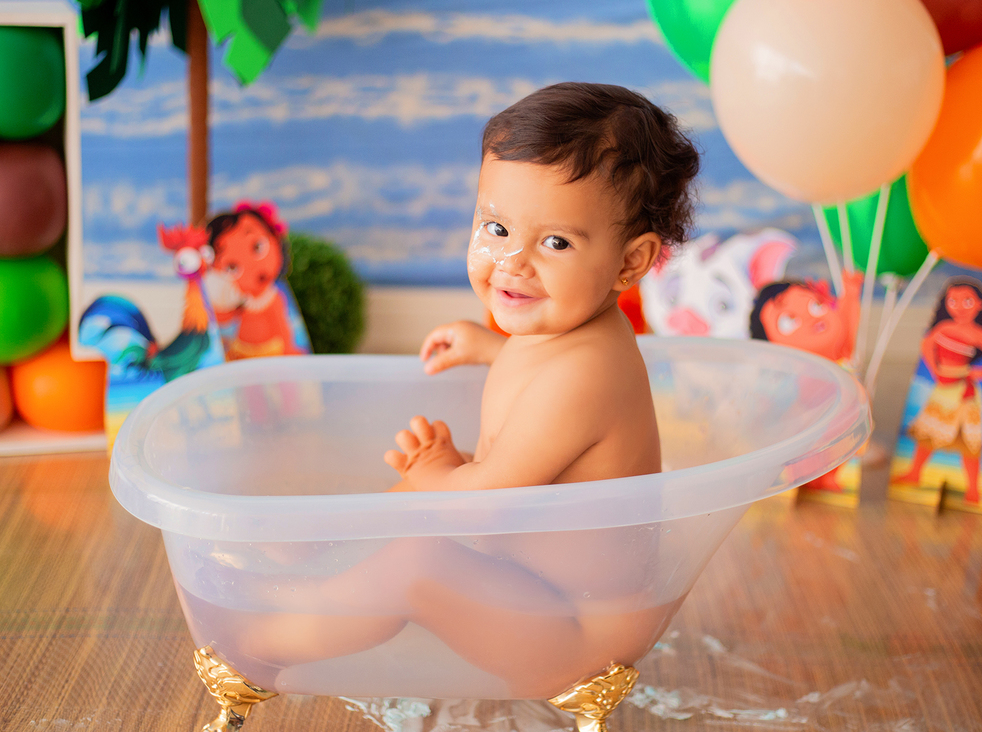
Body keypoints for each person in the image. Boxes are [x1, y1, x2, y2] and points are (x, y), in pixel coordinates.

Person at [240, 83, 701, 697]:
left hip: (571, 629)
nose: (512, 262)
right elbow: (543, 377)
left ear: (631, 263)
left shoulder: (586, 375)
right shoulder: (574, 330)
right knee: (425, 484)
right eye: (496, 226)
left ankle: (262, 648)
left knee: (418, 555)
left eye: (556, 242)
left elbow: (481, 504)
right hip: (529, 583)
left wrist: (439, 475)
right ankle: (329, 553)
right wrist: (488, 349)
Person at [892, 278, 982, 504]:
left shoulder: (978, 334)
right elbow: (927, 344)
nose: (959, 306)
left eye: (967, 301)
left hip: (963, 391)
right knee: (928, 433)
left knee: (967, 442)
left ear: (979, 305)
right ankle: (914, 473)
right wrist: (934, 367)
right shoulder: (944, 328)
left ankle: (973, 489)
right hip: (942, 389)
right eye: (953, 301)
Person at [749, 272, 862, 491]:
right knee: (803, 448)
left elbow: (848, 329)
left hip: (838, 425)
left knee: (839, 445)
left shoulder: (841, 356)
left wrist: (851, 292)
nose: (812, 318)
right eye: (790, 319)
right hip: (802, 430)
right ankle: (800, 479)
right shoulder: (782, 372)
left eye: (816, 306)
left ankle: (827, 478)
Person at [204, 201, 305, 358]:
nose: (251, 267)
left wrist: (289, 350)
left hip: (269, 354)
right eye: (232, 267)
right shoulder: (243, 300)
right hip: (241, 352)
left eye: (257, 247)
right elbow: (228, 316)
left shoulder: (272, 299)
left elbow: (282, 328)